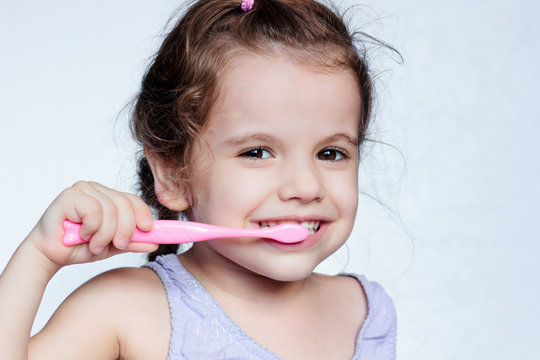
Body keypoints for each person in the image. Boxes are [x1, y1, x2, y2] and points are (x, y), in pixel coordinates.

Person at [0, 0, 397, 358]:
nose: (307, 187)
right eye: (256, 152)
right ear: (174, 175)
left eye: (331, 153)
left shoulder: (365, 311)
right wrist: (38, 258)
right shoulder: (124, 310)